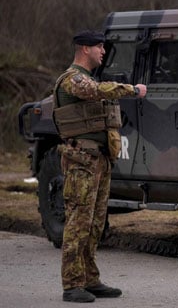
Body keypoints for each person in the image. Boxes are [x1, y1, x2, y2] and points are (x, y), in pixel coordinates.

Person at [52, 30, 147, 303]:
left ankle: (89, 279)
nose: (103, 51)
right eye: (99, 47)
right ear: (84, 49)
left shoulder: (87, 78)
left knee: (94, 223)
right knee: (78, 222)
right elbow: (96, 91)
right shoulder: (73, 80)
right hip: (82, 161)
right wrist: (132, 90)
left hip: (99, 160)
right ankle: (71, 284)